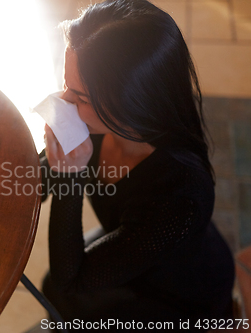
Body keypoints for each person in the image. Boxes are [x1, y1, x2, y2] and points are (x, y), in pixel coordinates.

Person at [40, 0, 235, 331]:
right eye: (66, 85)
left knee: (59, 293)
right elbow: (39, 175)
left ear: (132, 105)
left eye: (81, 97)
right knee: (52, 285)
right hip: (138, 240)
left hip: (179, 296)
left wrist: (68, 177)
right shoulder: (103, 124)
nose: (64, 101)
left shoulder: (180, 194)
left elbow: (70, 280)